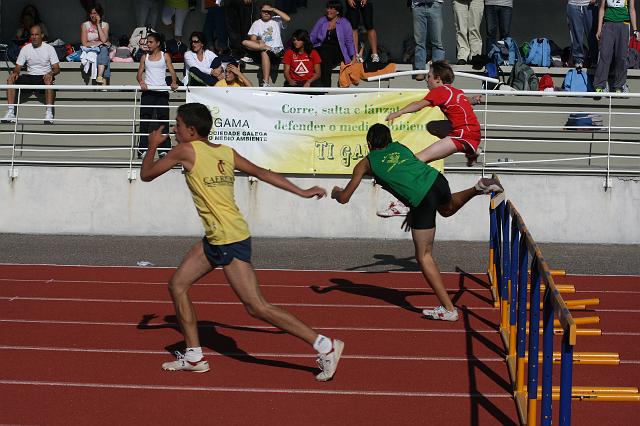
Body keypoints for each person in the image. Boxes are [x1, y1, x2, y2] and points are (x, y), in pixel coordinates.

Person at [139, 102, 344, 380]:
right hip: (216, 237)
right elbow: (262, 172)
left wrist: (151, 144)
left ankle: (325, 345)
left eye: (177, 125)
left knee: (256, 307)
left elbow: (146, 174)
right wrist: (301, 191)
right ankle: (194, 356)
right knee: (177, 285)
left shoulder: (185, 150)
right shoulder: (225, 151)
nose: (174, 129)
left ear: (190, 130)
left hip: (228, 238)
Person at [331, 123, 503, 321]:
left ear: (369, 143)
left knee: (424, 256)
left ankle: (449, 309)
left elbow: (345, 198)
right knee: (446, 210)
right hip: (436, 181)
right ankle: (478, 188)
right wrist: (412, 209)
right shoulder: (400, 147)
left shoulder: (365, 163)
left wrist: (336, 192)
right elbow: (408, 174)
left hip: (420, 197)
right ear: (389, 139)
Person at [386, 60, 482, 167]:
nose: (427, 80)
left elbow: (418, 105)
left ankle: (410, 180)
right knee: (432, 126)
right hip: (475, 132)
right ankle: (472, 151)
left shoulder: (440, 91)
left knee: (418, 159)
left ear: (438, 79)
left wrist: (399, 112)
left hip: (462, 134)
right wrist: (473, 100)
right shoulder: (456, 91)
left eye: (429, 76)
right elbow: (464, 100)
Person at [2, 25, 59, 124]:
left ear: (42, 35)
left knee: (49, 80)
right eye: (32, 35)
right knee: (10, 79)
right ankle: (10, 112)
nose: (34, 37)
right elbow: (18, 67)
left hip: (43, 77)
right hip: (30, 77)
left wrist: (50, 73)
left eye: (36, 34)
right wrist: (15, 73)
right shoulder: (25, 48)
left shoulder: (49, 48)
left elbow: (57, 68)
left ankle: (49, 113)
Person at [136, 32, 179, 159]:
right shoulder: (145, 57)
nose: (148, 44)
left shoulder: (165, 55)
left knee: (163, 120)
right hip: (148, 92)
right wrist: (141, 81)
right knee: (144, 121)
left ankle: (164, 149)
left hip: (162, 93)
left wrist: (174, 82)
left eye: (150, 42)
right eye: (147, 42)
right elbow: (138, 74)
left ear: (158, 43)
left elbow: (172, 71)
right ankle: (142, 149)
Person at [241, 1, 290, 87]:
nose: (266, 13)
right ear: (260, 12)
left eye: (269, 11)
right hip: (264, 49)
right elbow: (252, 40)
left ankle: (266, 82)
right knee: (245, 42)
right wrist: (259, 41)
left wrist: (274, 9)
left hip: (277, 50)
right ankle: (266, 48)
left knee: (264, 51)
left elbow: (288, 19)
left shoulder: (276, 20)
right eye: (264, 11)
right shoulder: (257, 23)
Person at [594, 0, 639, 93]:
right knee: (604, 54)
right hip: (608, 24)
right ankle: (600, 85)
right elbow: (602, 9)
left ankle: (619, 85)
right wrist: (599, 29)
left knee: (621, 56)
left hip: (624, 24)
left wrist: (635, 30)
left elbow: (632, 9)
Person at [310, 1, 357, 88]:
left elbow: (349, 41)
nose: (328, 10)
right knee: (319, 54)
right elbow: (313, 36)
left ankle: (325, 86)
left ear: (337, 11)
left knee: (325, 55)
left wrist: (353, 56)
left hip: (337, 51)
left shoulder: (344, 23)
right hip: (322, 49)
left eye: (331, 8)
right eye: (327, 8)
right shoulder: (322, 20)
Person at [409, 0, 445, 80]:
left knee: (437, 41)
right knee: (419, 42)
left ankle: (437, 72)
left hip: (434, 4)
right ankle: (420, 70)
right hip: (418, 5)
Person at [80, 3, 110, 86]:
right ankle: (104, 84)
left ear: (99, 14)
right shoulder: (85, 25)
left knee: (104, 50)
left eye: (95, 13)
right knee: (104, 53)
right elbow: (84, 43)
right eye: (91, 13)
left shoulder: (105, 25)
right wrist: (99, 43)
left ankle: (100, 77)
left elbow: (103, 39)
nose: (93, 16)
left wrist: (98, 25)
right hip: (91, 49)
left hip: (101, 49)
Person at [566, 0, 599, 69]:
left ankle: (594, 60)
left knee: (592, 35)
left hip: (590, 5)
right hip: (573, 4)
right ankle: (578, 60)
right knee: (576, 34)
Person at [452, 0, 484, 65]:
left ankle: (475, 55)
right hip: (458, 1)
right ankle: (462, 56)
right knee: (461, 29)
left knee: (475, 29)